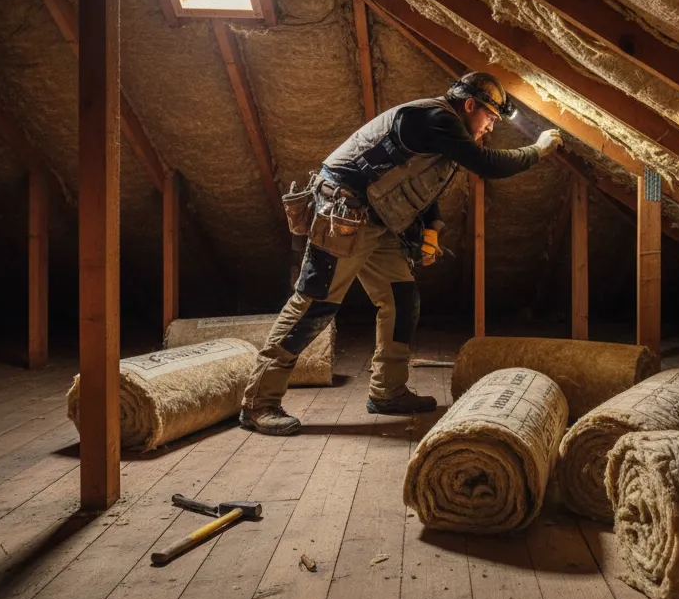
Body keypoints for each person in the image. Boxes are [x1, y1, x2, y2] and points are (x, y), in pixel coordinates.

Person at [238, 72, 562, 435]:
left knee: (401, 300)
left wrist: (432, 230)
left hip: (377, 221)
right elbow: (488, 164)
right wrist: (538, 149)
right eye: (490, 117)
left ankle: (387, 391)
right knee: (314, 305)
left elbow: (421, 185)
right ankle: (259, 403)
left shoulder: (444, 130)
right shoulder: (437, 118)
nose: (490, 127)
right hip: (344, 214)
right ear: (470, 105)